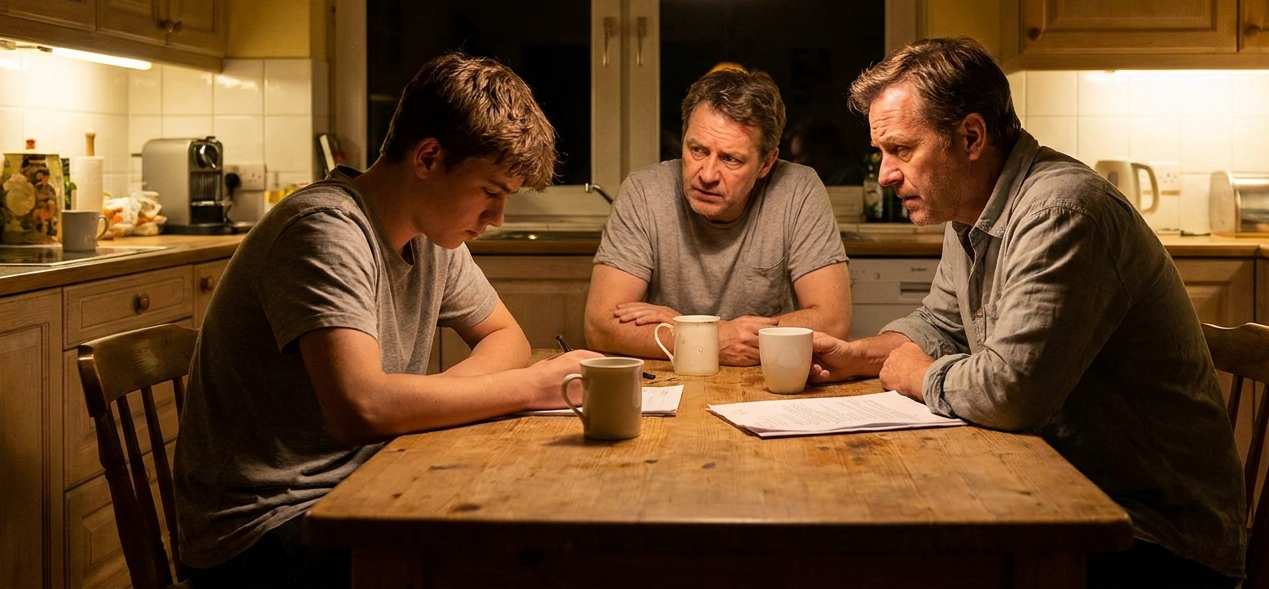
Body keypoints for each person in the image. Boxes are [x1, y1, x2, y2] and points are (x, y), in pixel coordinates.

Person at [809, 38, 1247, 588]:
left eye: (901, 150)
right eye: (882, 153)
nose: (885, 174)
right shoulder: (969, 209)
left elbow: (1011, 391)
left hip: (1150, 534)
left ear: (971, 137)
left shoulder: (1062, 212)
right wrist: (858, 356)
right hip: (1057, 492)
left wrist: (918, 375)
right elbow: (939, 325)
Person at [174, 54, 600, 588]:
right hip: (264, 532)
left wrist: (430, 402)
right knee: (509, 564)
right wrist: (532, 387)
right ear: (428, 158)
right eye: (490, 193)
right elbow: (362, 408)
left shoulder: (431, 234)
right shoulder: (324, 229)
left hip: (363, 480)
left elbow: (505, 337)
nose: (496, 219)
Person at [586, 66, 851, 365]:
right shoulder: (644, 191)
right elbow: (600, 326)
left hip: (765, 378)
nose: (707, 175)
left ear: (766, 163)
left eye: (730, 159)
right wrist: (712, 338)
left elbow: (833, 321)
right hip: (670, 377)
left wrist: (688, 328)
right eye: (697, 150)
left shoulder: (798, 189)